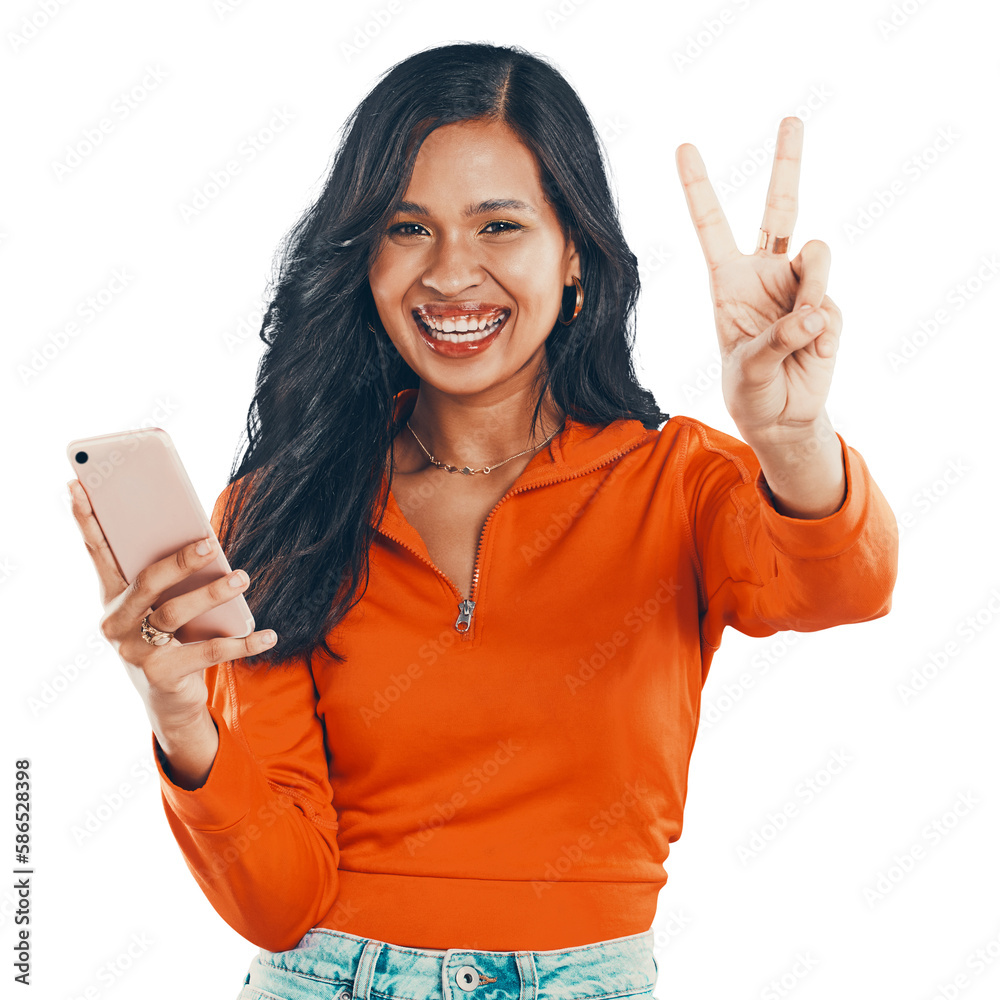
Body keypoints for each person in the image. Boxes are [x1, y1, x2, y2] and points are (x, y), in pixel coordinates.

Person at [67, 41, 898, 1000]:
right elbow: (276, 901)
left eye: (499, 224)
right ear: (365, 255)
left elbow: (847, 587)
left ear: (574, 250)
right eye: (408, 227)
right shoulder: (279, 509)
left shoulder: (681, 482)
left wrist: (792, 436)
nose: (451, 273)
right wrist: (179, 718)